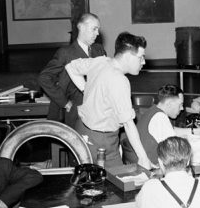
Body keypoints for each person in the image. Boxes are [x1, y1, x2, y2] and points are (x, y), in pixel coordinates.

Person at [65, 32, 152, 169]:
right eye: (140, 57)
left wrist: (86, 89)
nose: (143, 62)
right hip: (101, 140)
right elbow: (128, 124)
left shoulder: (101, 61)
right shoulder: (119, 80)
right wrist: (143, 157)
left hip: (82, 131)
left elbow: (71, 67)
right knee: (117, 184)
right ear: (128, 56)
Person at [38, 13, 106, 128]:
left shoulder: (99, 50)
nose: (97, 33)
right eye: (94, 29)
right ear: (81, 27)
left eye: (98, 29)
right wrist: (64, 102)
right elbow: (44, 78)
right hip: (74, 113)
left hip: (97, 110)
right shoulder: (65, 53)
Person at [124, 84, 200, 165]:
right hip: (151, 166)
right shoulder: (160, 118)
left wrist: (195, 131)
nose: (182, 108)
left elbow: (172, 130)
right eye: (180, 104)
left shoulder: (153, 110)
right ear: (169, 104)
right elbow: (175, 151)